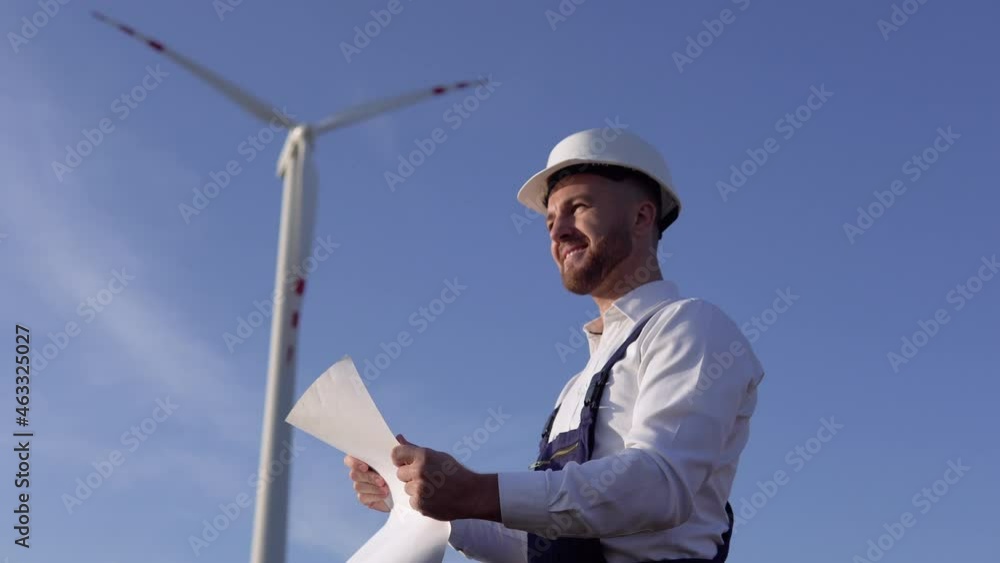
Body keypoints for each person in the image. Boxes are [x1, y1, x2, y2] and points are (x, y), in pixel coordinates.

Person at [344, 127, 765, 562]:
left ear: (642, 217)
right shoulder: (574, 388)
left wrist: (476, 491)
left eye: (578, 208)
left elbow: (658, 486)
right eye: (549, 221)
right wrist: (424, 500)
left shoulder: (690, 325)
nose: (558, 232)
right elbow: (546, 543)